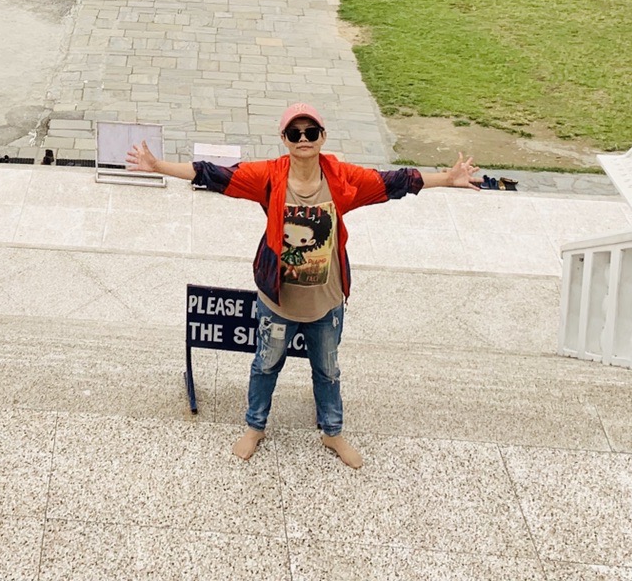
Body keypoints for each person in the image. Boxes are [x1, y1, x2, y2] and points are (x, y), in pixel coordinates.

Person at [127, 106, 478, 468]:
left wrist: (447, 179)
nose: (304, 139)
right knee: (265, 366)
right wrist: (159, 166)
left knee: (328, 371)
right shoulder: (269, 177)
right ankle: (254, 427)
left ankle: (332, 432)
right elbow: (213, 175)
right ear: (284, 141)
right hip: (277, 303)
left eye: (311, 132)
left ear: (323, 137)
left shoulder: (341, 179)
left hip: (325, 305)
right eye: (295, 134)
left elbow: (394, 181)